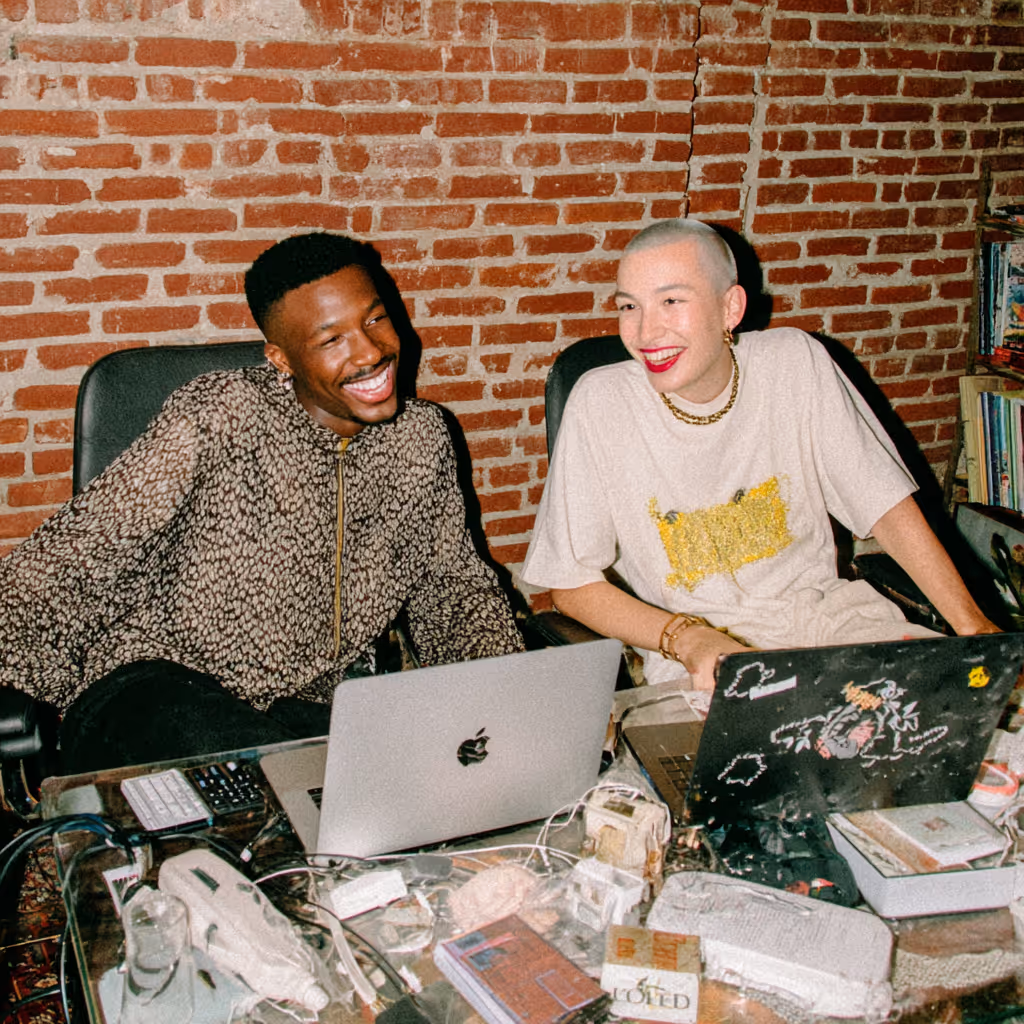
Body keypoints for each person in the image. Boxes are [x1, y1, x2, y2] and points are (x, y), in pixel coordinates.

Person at [0, 232, 524, 771]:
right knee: (280, 778)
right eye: (331, 339)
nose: (370, 352)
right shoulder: (220, 415)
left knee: (409, 777)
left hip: (304, 704)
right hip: (155, 689)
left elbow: (452, 587)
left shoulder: (421, 437)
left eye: (375, 319)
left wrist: (503, 699)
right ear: (281, 359)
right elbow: (67, 560)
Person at [521, 218, 999, 692]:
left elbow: (887, 508)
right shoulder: (601, 403)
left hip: (832, 625)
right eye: (629, 306)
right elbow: (571, 585)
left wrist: (975, 628)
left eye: (671, 301)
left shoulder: (795, 361)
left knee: (966, 706)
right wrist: (687, 638)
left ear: (730, 307)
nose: (646, 332)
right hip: (702, 657)